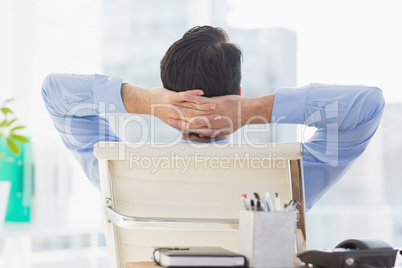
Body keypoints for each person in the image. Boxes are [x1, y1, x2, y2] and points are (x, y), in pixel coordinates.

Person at [42, 26, 385, 210]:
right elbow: (366, 105)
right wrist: (254, 110)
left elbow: (56, 94)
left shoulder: (118, 171)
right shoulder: (290, 176)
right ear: (238, 89)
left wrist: (143, 101)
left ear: (166, 90)